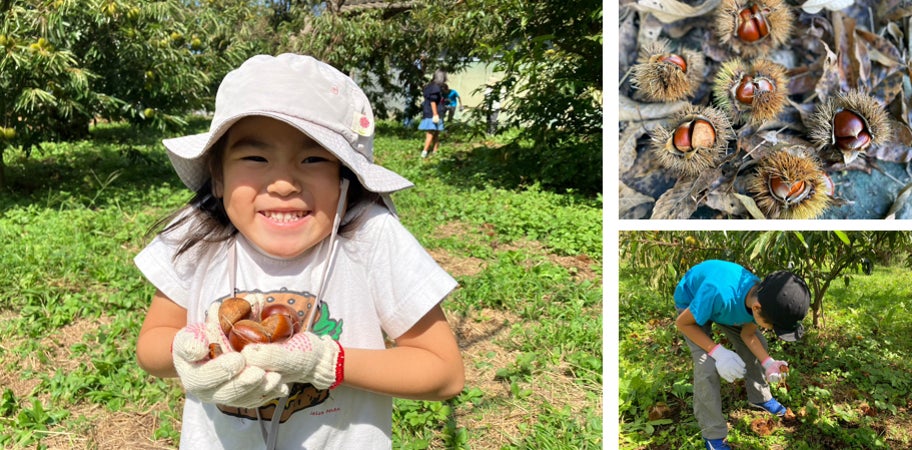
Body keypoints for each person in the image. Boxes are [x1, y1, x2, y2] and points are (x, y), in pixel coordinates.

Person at [134, 54, 465, 450]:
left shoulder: (370, 239)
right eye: (255, 157)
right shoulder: (198, 236)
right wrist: (189, 351)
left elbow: (444, 372)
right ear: (217, 177)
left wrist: (326, 361)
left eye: (313, 158)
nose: (284, 183)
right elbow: (151, 347)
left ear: (345, 179)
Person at [673, 260, 809, 450]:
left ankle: (759, 396)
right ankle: (713, 435)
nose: (771, 330)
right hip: (692, 305)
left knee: (759, 343)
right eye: (772, 326)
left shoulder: (763, 298)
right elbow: (683, 324)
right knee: (707, 366)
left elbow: (748, 334)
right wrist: (718, 352)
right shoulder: (717, 292)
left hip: (721, 307)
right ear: (756, 309)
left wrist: (768, 362)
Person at [418, 69, 447, 158]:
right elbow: (433, 101)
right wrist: (435, 114)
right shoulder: (435, 87)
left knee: (437, 132)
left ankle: (435, 151)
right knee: (430, 132)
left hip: (432, 112)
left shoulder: (429, 86)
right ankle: (424, 152)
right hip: (433, 113)